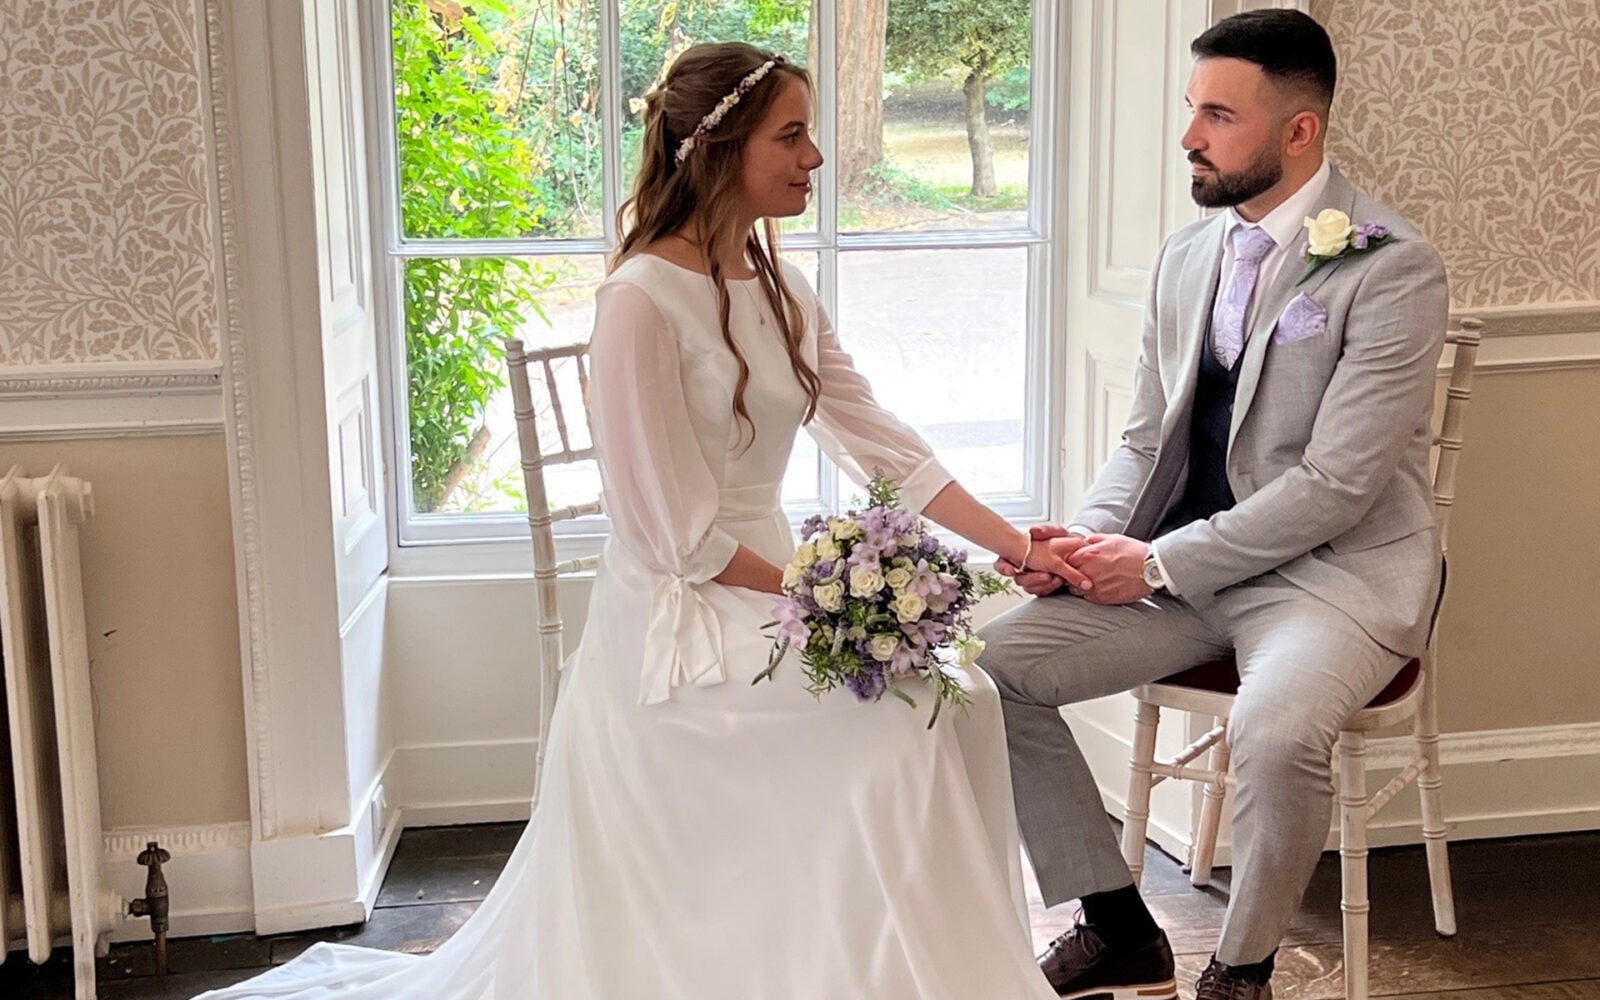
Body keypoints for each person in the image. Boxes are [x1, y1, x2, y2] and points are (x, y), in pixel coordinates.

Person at [195, 41, 1087, 1000]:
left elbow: (880, 441)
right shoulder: (639, 301)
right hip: (682, 622)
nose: (817, 158)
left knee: (964, 699)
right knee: (903, 725)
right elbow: (678, 540)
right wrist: (836, 603)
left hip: (778, 592)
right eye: (792, 136)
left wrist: (1016, 544)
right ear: (720, 149)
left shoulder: (782, 289)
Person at [978, 10, 1449, 1000]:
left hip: (1329, 580)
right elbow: (1145, 442)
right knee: (993, 671)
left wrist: (1152, 563)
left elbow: (1337, 485)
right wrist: (1083, 542)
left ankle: (1240, 973)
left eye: (1218, 117)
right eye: (1192, 109)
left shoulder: (1391, 265)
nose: (1189, 136)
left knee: (1274, 736)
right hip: (1187, 573)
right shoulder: (1185, 256)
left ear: (1299, 131)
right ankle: (1117, 927)